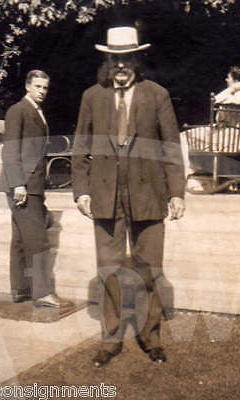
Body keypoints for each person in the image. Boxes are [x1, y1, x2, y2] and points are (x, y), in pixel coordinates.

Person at [72, 26, 185, 367]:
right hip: (106, 194)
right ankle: (111, 339)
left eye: (127, 59)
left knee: (149, 268)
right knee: (108, 268)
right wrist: (81, 191)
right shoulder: (93, 96)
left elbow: (171, 148)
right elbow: (80, 147)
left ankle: (150, 337)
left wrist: (177, 193)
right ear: (108, 61)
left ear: (137, 60)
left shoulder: (157, 95)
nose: (121, 67)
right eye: (114, 60)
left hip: (148, 193)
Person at [0, 69, 59, 308]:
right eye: (38, 87)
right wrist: (18, 184)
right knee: (38, 240)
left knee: (21, 240)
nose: (42, 91)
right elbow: (10, 150)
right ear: (27, 86)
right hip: (22, 185)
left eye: (45, 88)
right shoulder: (18, 111)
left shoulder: (36, 111)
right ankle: (42, 293)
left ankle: (20, 290)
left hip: (31, 185)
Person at [181, 66, 240, 178]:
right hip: (232, 137)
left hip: (227, 138)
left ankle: (187, 173)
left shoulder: (237, 95)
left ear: (237, 81)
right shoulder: (233, 96)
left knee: (183, 137)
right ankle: (198, 173)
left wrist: (232, 88)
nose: (226, 80)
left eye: (229, 78)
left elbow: (215, 100)